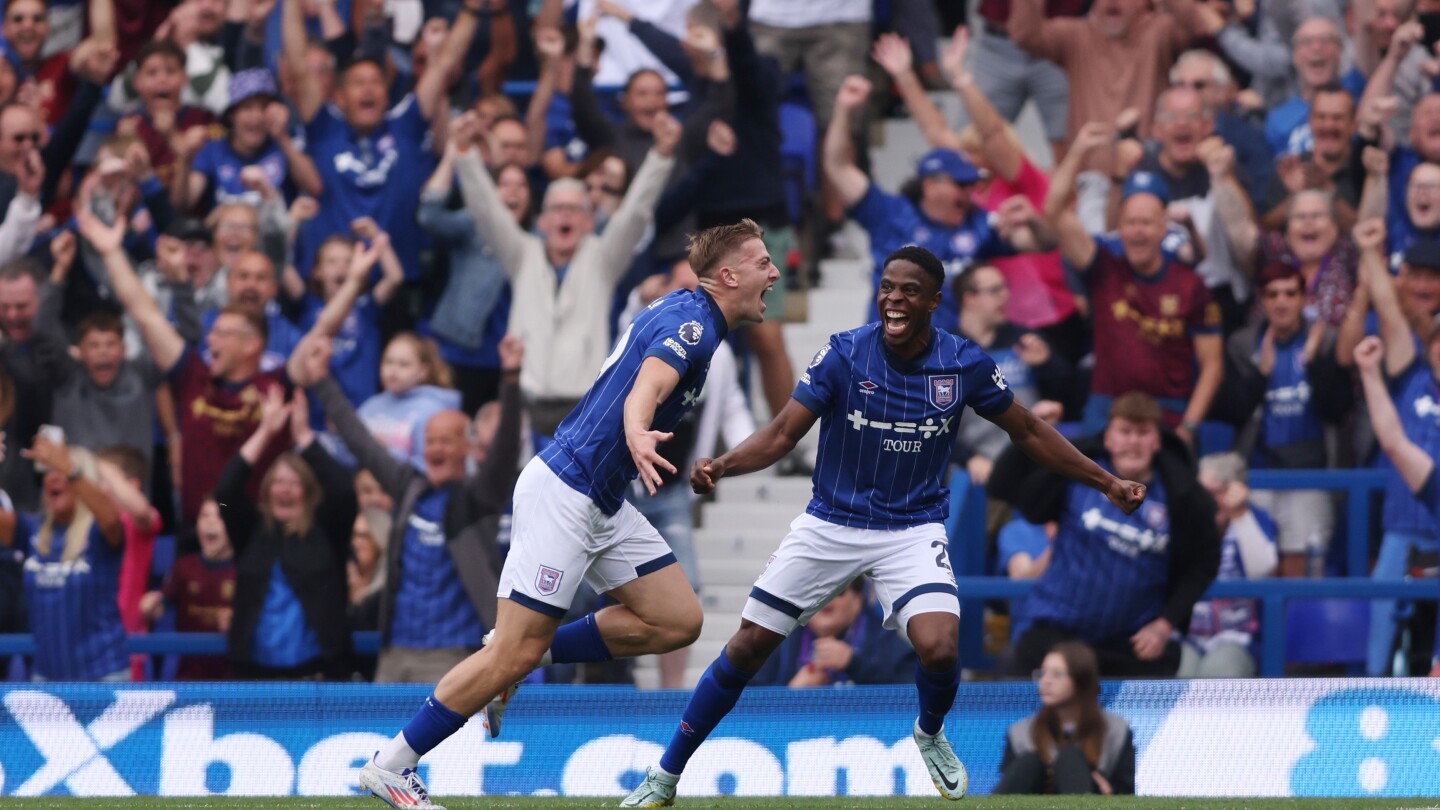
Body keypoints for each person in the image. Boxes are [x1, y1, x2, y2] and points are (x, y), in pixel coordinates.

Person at [621, 245, 1147, 806]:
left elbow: (1029, 431)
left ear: (934, 303)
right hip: (832, 521)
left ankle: (928, 732)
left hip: (912, 529)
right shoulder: (845, 354)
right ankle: (666, 775)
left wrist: (1106, 481)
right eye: (888, 289)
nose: (894, 301)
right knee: (748, 646)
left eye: (909, 292)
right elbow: (780, 435)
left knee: (942, 648)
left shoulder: (962, 363)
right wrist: (721, 466)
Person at [357, 219, 780, 808]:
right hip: (567, 491)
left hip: (601, 498)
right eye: (763, 263)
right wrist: (637, 431)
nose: (775, 272)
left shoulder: (690, 310)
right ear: (728, 276)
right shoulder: (693, 326)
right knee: (510, 651)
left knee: (677, 620)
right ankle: (392, 764)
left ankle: (521, 656)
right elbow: (646, 387)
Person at [294, 332, 524, 684]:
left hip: (453, 655)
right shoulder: (408, 487)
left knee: (446, 741)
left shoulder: (478, 498)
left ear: (467, 448)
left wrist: (510, 378)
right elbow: (361, 441)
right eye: (429, 440)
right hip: (394, 655)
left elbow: (505, 449)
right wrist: (322, 380)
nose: (435, 448)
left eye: (446, 440)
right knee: (384, 740)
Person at [992, 392, 1222, 678]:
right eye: (1124, 431)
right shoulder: (1072, 476)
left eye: (1143, 432)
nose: (1133, 441)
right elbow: (1000, 485)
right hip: (1057, 633)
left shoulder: (1182, 496)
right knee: (1013, 676)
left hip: (1131, 644)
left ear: (1157, 441)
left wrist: (1166, 624)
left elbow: (1207, 560)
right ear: (1108, 438)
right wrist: (1027, 427)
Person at [1045, 123, 1225, 440]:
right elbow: (1053, 209)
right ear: (1120, 227)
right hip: (1106, 408)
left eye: (1146, 222)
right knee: (1087, 487)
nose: (1137, 231)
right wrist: (1079, 150)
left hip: (1168, 412)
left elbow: (1212, 365)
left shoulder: (1191, 285)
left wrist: (1190, 426)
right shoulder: (1103, 267)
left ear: (1163, 228)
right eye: (1130, 222)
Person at [220, 387, 357, 680]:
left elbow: (344, 492)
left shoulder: (327, 531)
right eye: (277, 483)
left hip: (319, 673)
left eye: (294, 484)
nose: (284, 490)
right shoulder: (251, 531)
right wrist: (266, 431)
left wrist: (305, 436)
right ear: (267, 491)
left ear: (308, 494)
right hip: (254, 674)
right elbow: (226, 490)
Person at [19, 436, 127, 681]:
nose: (54, 477)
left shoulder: (99, 532)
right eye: (49, 471)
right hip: (46, 681)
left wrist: (70, 468)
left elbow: (112, 520)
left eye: (63, 472)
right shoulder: (31, 530)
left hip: (104, 677)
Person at [1181, 452, 1278, 678]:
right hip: (1185, 635)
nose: (1205, 500)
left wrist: (1239, 515)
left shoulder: (1254, 518)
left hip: (1238, 637)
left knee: (1218, 672)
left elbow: (1262, 569)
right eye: (1201, 491)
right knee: (1179, 671)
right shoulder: (1182, 518)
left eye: (1214, 493)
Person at [994, 641, 1136, 795]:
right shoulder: (1020, 732)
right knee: (1031, 763)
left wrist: (1100, 785)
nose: (1045, 681)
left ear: (1081, 680)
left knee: (1070, 760)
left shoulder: (1116, 730)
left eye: (1057, 674)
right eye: (1042, 673)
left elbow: (1125, 793)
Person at [749, 577, 918, 687]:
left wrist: (854, 664)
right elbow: (746, 703)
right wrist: (791, 693)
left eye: (838, 591)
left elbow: (912, 693)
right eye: (817, 592)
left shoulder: (885, 641)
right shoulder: (779, 640)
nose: (827, 599)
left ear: (857, 599)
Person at [140, 495, 236, 680]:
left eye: (219, 517)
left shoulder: (244, 570)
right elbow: (160, 608)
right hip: (189, 680)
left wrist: (238, 622)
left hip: (233, 681)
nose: (210, 523)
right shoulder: (184, 567)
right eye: (204, 516)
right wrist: (151, 605)